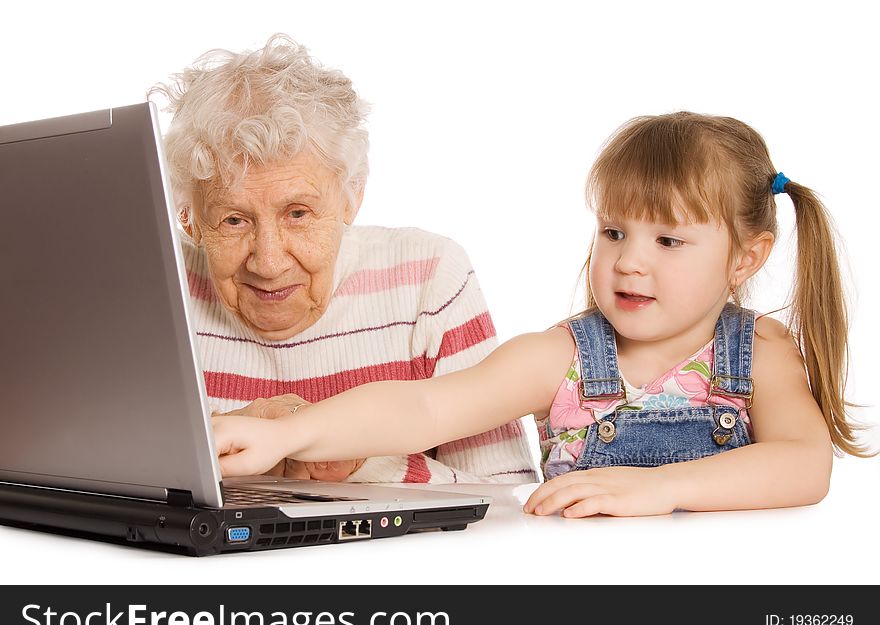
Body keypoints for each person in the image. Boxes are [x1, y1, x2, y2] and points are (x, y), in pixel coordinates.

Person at [212, 111, 873, 517]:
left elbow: (803, 465)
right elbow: (424, 408)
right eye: (614, 232)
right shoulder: (562, 357)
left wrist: (658, 489)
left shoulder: (759, 350)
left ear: (746, 258)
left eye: (668, 240)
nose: (629, 262)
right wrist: (287, 437)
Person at [151, 34, 538, 485]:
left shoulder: (427, 279)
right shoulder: (156, 287)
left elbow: (508, 501)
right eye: (234, 220)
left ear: (351, 198)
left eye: (298, 213)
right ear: (188, 219)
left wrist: (354, 459)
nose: (269, 262)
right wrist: (230, 441)